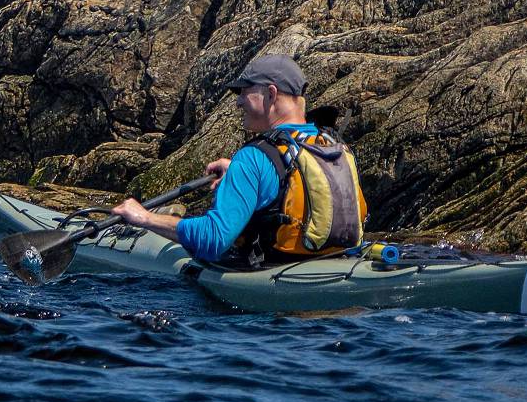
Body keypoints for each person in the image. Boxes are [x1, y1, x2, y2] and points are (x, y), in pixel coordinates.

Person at [110, 53, 367, 267]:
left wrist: (144, 218)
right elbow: (299, 186)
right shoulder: (333, 146)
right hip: (338, 267)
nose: (238, 102)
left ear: (271, 94)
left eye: (244, 92)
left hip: (272, 303)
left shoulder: (254, 157)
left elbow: (213, 240)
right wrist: (245, 176)